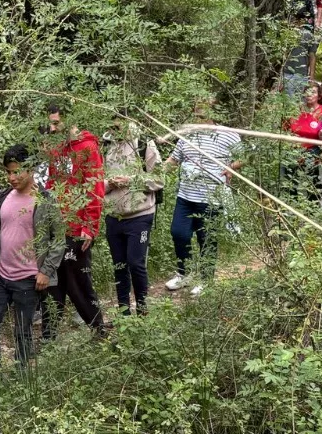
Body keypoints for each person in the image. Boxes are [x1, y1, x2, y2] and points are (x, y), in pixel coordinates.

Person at [0, 144, 65, 374]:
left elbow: (59, 239)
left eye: (17, 171)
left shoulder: (45, 200)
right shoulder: (1, 197)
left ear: (31, 169)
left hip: (28, 277)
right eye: (8, 172)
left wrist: (46, 271)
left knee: (22, 330)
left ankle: (23, 375)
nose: (12, 177)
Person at [39, 102, 106, 338]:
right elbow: (51, 184)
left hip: (78, 228)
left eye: (57, 123)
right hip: (56, 227)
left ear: (70, 120)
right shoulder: (56, 149)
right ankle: (49, 336)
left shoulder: (87, 147)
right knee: (52, 282)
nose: (53, 128)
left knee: (78, 284)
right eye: (51, 123)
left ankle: (99, 329)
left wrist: (90, 225)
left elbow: (95, 187)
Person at [164, 98, 243, 297]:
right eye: (196, 105)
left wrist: (230, 167)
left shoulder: (227, 134)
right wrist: (155, 171)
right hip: (186, 195)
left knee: (206, 240)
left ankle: (206, 280)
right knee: (178, 233)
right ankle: (184, 274)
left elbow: (244, 156)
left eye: (203, 105)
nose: (198, 109)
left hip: (211, 197)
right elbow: (174, 159)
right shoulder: (188, 134)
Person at [102, 116, 162, 315]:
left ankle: (143, 310)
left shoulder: (143, 142)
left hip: (140, 214)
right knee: (119, 265)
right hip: (113, 215)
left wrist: (131, 180)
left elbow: (159, 179)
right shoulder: (104, 144)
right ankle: (124, 314)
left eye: (118, 119)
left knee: (136, 263)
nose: (115, 124)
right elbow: (93, 182)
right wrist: (110, 184)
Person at [284, 83, 322, 189]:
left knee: (311, 174)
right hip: (293, 150)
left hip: (314, 151)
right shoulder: (294, 110)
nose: (309, 94)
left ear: (319, 95)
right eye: (307, 92)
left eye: (313, 92)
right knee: (288, 173)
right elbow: (284, 131)